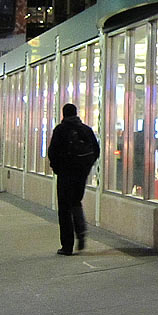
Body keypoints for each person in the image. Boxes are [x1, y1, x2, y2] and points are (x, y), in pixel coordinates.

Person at [47, 103, 100, 256]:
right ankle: (81, 231)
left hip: (65, 174)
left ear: (63, 114)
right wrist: (85, 168)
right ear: (76, 113)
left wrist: (58, 169)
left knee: (64, 209)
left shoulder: (60, 130)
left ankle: (67, 245)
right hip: (80, 175)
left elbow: (52, 153)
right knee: (76, 202)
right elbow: (96, 151)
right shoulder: (86, 130)